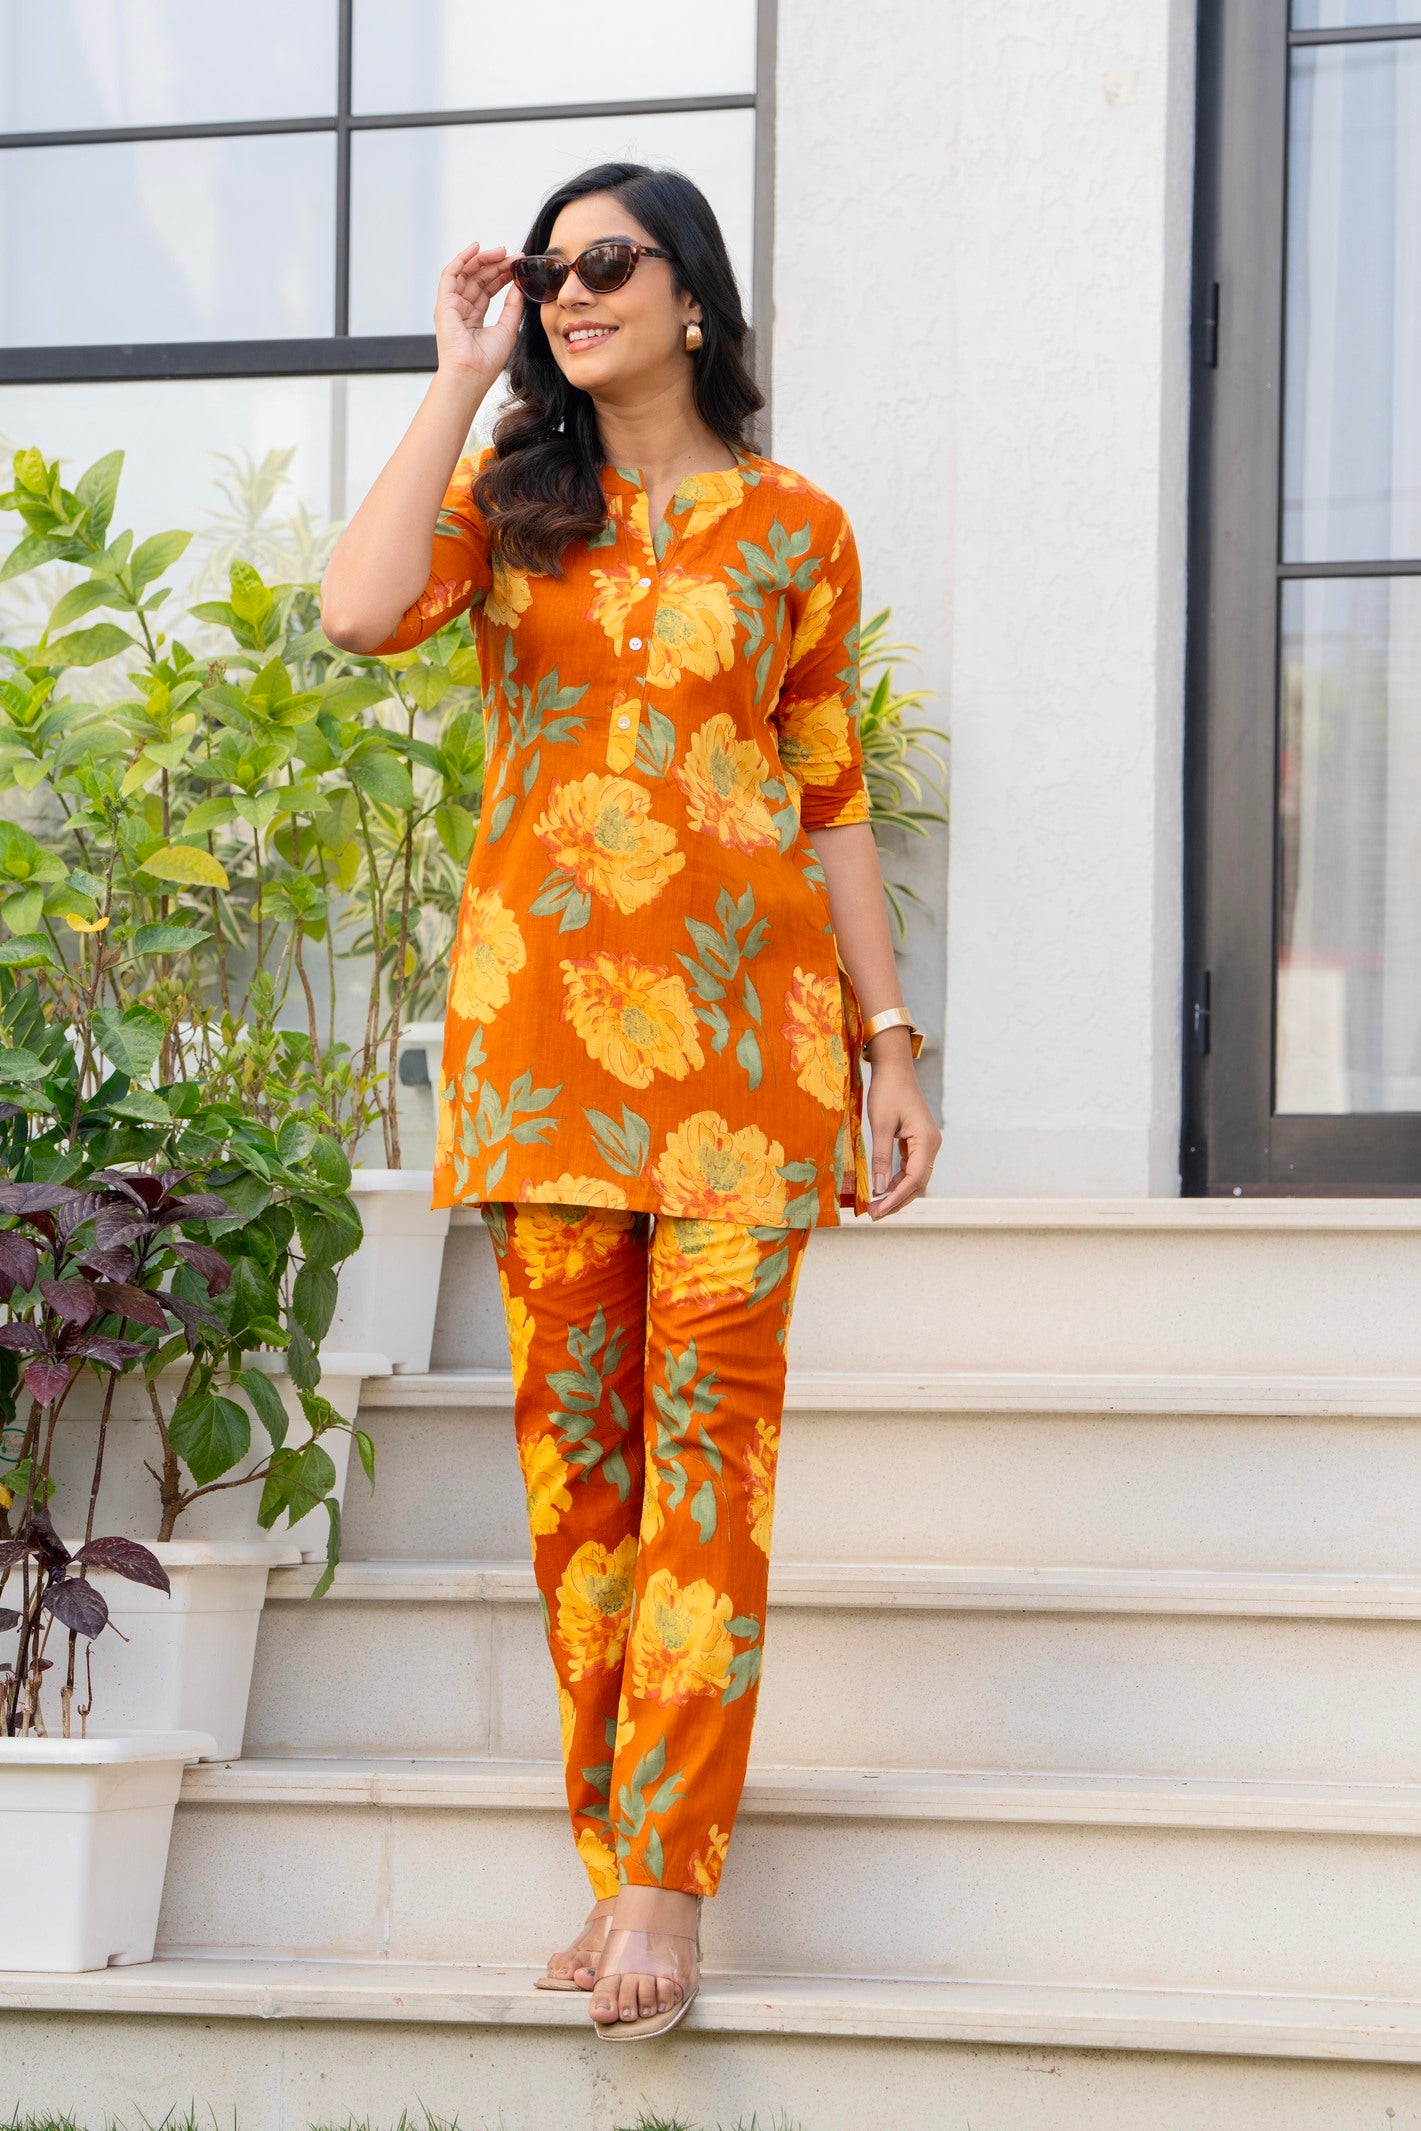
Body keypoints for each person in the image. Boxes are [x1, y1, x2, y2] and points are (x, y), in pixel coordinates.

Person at [320, 159, 940, 2042]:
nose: (573, 292)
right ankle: (612, 1859)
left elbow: (829, 802)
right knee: (578, 1480)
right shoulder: (511, 510)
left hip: (753, 1063)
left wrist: (889, 1042)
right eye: (548, 271)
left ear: (692, 296)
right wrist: (458, 370)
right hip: (546, 1059)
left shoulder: (798, 529)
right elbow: (356, 611)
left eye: (608, 262)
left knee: (709, 1462)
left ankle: (665, 1878)